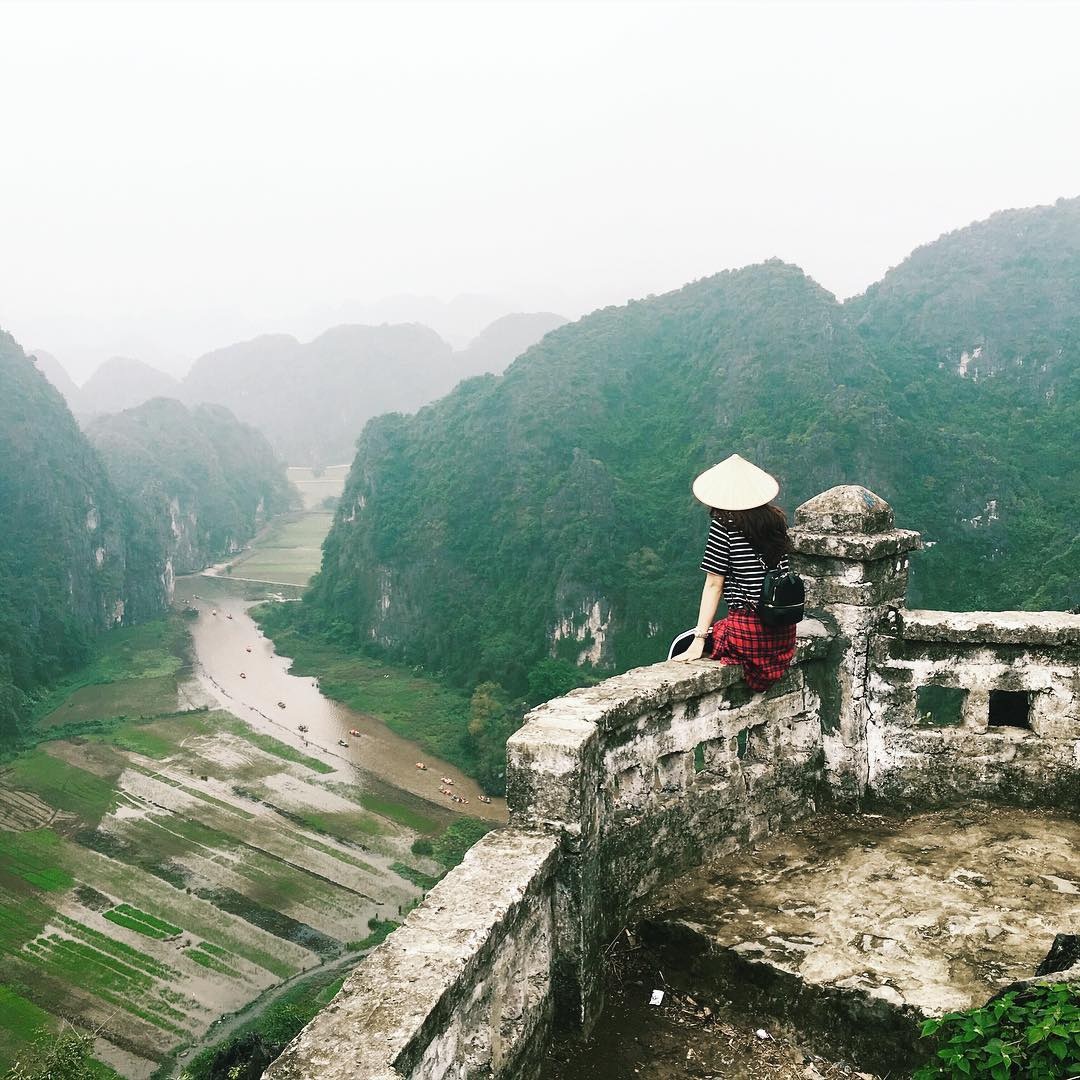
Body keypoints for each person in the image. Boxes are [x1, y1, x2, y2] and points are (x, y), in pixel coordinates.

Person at [677, 454, 797, 692]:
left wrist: (699, 638)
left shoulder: (724, 524)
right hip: (784, 634)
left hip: (750, 633)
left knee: (682, 643)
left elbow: (714, 584)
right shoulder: (777, 520)